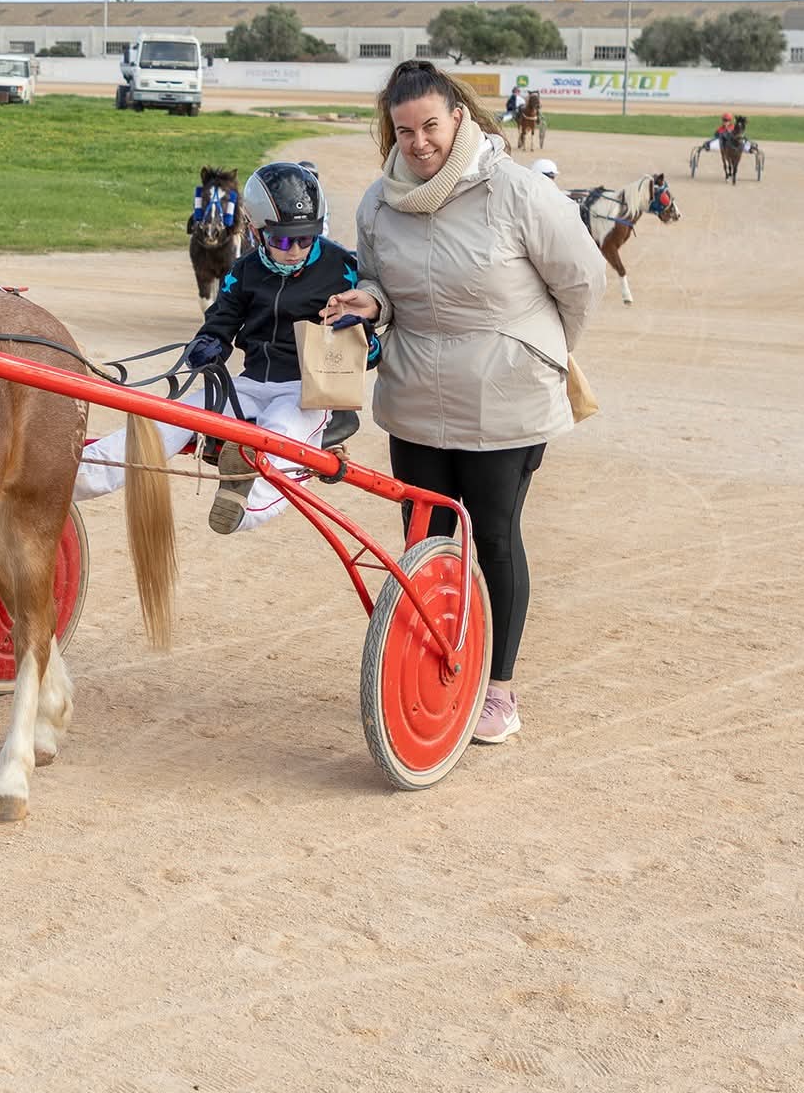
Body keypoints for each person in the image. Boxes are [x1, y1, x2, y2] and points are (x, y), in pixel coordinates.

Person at [321, 59, 604, 746]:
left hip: (504, 401)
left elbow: (583, 280)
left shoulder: (514, 192)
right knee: (425, 542)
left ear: (459, 117)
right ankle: (434, 664)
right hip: (416, 396)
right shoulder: (377, 203)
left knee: (496, 537)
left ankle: (498, 688)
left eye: (431, 126)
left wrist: (534, 347)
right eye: (404, 129)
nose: (419, 142)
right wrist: (373, 302)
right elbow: (387, 288)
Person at [77, 162, 370, 534]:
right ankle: (72, 478)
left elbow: (370, 346)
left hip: (307, 393)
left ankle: (243, 508)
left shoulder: (342, 268)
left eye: (305, 238)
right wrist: (208, 343)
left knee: (277, 432)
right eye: (281, 240)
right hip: (248, 386)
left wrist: (361, 338)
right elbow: (221, 320)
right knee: (166, 418)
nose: (294, 249)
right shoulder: (243, 270)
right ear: (254, 230)